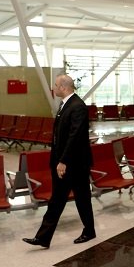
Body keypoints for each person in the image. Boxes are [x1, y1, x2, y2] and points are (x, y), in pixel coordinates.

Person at [23, 74, 95, 248]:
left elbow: (75, 137)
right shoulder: (66, 105)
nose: (53, 88)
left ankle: (86, 231)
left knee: (77, 198)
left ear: (63, 87)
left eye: (55, 85)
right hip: (65, 162)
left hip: (73, 164)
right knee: (63, 198)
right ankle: (45, 237)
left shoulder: (77, 106)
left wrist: (63, 161)